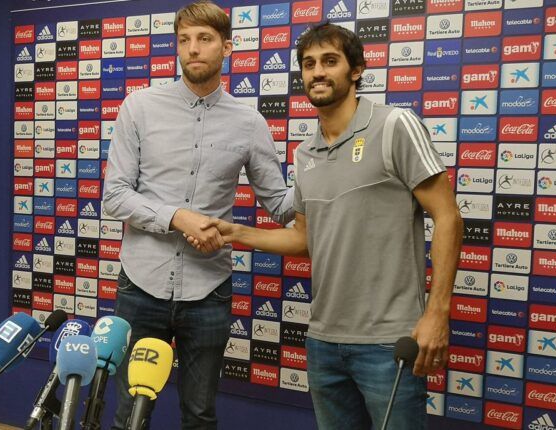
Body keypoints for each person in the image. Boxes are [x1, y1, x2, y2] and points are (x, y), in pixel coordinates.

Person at [191, 23, 463, 429]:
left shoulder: (394, 126)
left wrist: (437, 313)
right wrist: (237, 233)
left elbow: (448, 217)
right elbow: (304, 239)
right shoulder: (305, 152)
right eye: (309, 64)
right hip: (323, 341)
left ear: (356, 70)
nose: (317, 72)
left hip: (388, 342)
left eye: (330, 61)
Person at [101, 1, 294, 428]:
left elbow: (280, 203)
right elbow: (114, 196)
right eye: (184, 40)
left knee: (201, 416)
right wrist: (178, 217)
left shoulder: (248, 121)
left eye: (204, 39)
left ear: (227, 46)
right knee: (129, 416)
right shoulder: (140, 106)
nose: (193, 49)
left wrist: (328, 175)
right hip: (141, 287)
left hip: (209, 291)